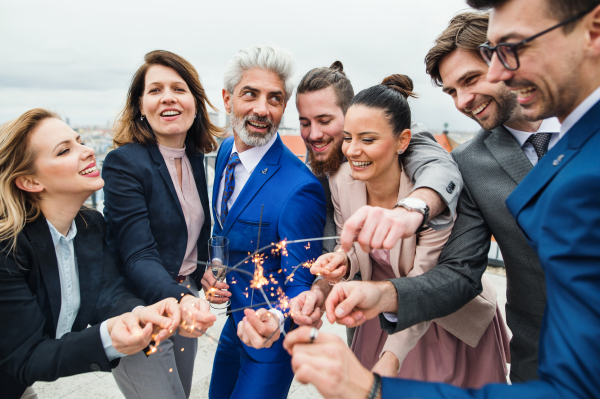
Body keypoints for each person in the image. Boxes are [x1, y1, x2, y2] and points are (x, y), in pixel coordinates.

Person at [286, 0, 600, 397]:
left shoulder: (436, 162)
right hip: (537, 355)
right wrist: (370, 291)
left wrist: (413, 209)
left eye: (474, 77)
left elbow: (428, 163)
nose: (462, 101)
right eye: (451, 90)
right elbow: (460, 272)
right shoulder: (469, 160)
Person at [312, 74, 509, 386]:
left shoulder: (428, 196)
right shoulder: (340, 180)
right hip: (382, 317)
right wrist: (342, 261)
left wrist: (390, 359)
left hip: (446, 320)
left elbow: (424, 282)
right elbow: (348, 241)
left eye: (368, 139)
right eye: (348, 137)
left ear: (402, 141)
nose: (352, 151)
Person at [0, 109, 186, 399]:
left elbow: (108, 293)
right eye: (64, 151)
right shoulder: (6, 248)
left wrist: (139, 313)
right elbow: (27, 356)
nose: (87, 151)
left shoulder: (89, 226)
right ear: (30, 182)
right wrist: (108, 336)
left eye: (79, 141)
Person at [291, 62, 465, 344]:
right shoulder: (329, 172)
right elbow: (349, 243)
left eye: (324, 120)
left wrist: (414, 209)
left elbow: (441, 168)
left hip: (430, 316)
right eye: (304, 122)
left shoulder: (412, 157)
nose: (313, 134)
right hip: (366, 310)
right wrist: (335, 271)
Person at [204, 45, 326, 399]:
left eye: (274, 98)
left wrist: (274, 318)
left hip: (271, 343)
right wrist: (214, 270)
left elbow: (299, 284)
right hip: (233, 323)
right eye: (250, 94)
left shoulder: (300, 189)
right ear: (227, 99)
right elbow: (222, 229)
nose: (262, 109)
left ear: (284, 106)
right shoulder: (226, 151)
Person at [102, 50, 217, 399]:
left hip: (184, 297)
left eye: (178, 89)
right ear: (140, 105)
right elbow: (137, 254)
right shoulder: (123, 164)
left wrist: (203, 273)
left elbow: (190, 235)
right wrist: (182, 299)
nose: (167, 97)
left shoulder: (196, 159)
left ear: (194, 103)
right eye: (155, 90)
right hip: (140, 310)